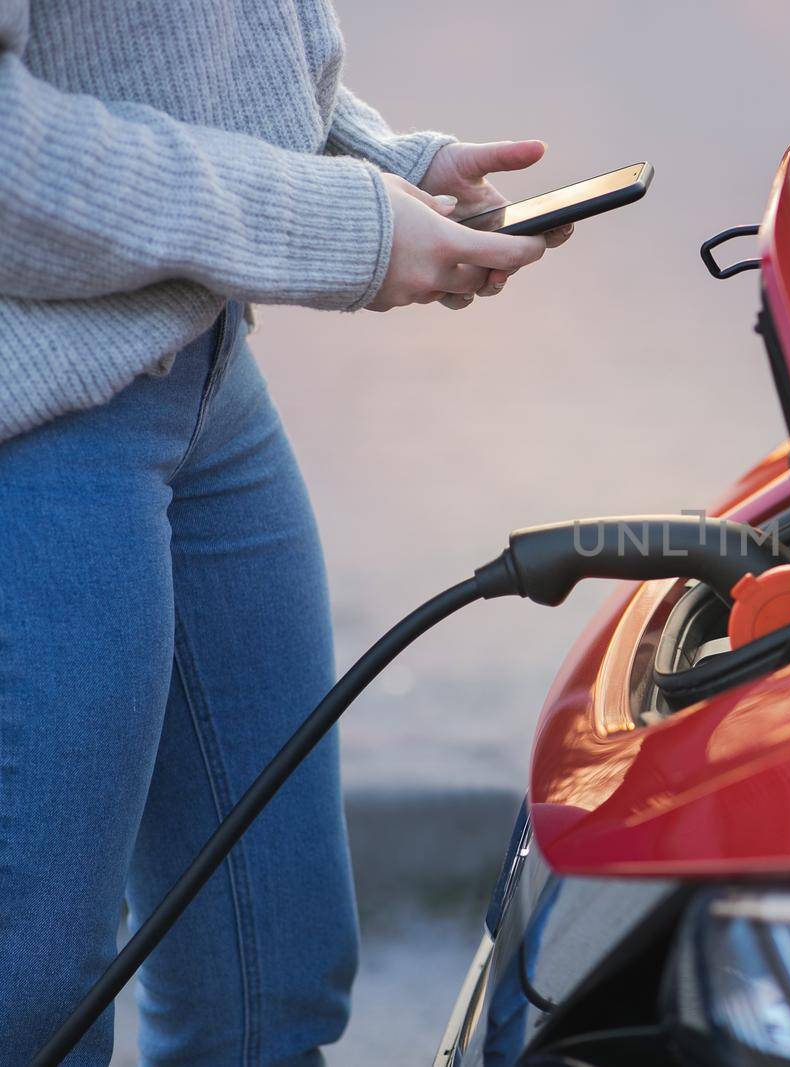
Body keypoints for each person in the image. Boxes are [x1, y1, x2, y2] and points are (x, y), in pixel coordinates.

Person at [0, 0, 568, 1060]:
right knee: (36, 1006)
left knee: (273, 984)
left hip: (205, 372)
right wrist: (342, 222)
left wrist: (377, 161)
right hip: (32, 420)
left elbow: (188, 46)